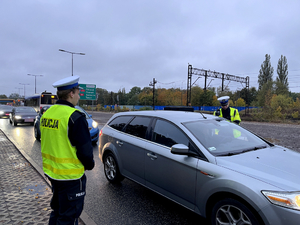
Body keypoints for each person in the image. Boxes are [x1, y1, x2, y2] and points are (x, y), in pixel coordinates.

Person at [40, 75, 95, 225]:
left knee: (57, 212)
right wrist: (90, 164)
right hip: (70, 178)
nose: (79, 95)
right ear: (71, 93)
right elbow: (85, 151)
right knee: (68, 218)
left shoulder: (48, 113)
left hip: (53, 174)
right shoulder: (75, 117)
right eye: (78, 92)